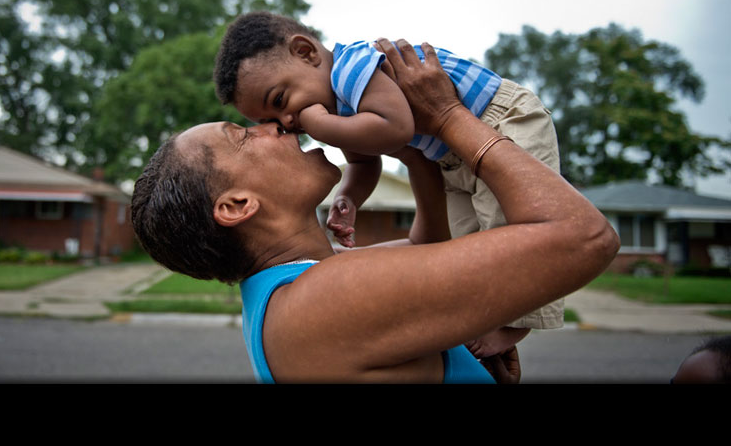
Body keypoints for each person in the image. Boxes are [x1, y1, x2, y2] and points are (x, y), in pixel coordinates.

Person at [132, 39, 619, 383]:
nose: (277, 127)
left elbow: (425, 248)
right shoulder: (323, 301)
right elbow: (583, 236)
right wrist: (450, 117)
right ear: (237, 205)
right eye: (243, 135)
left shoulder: (298, 292)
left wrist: (411, 150)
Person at [213, 12, 564, 358]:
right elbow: (364, 162)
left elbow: (396, 128)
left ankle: (518, 320)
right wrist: (349, 196)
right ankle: (491, 311)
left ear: (306, 52)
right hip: (455, 157)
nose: (288, 121)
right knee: (470, 239)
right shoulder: (339, 113)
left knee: (510, 226)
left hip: (501, 121)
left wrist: (322, 126)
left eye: (279, 101)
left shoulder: (352, 68)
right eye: (272, 121)